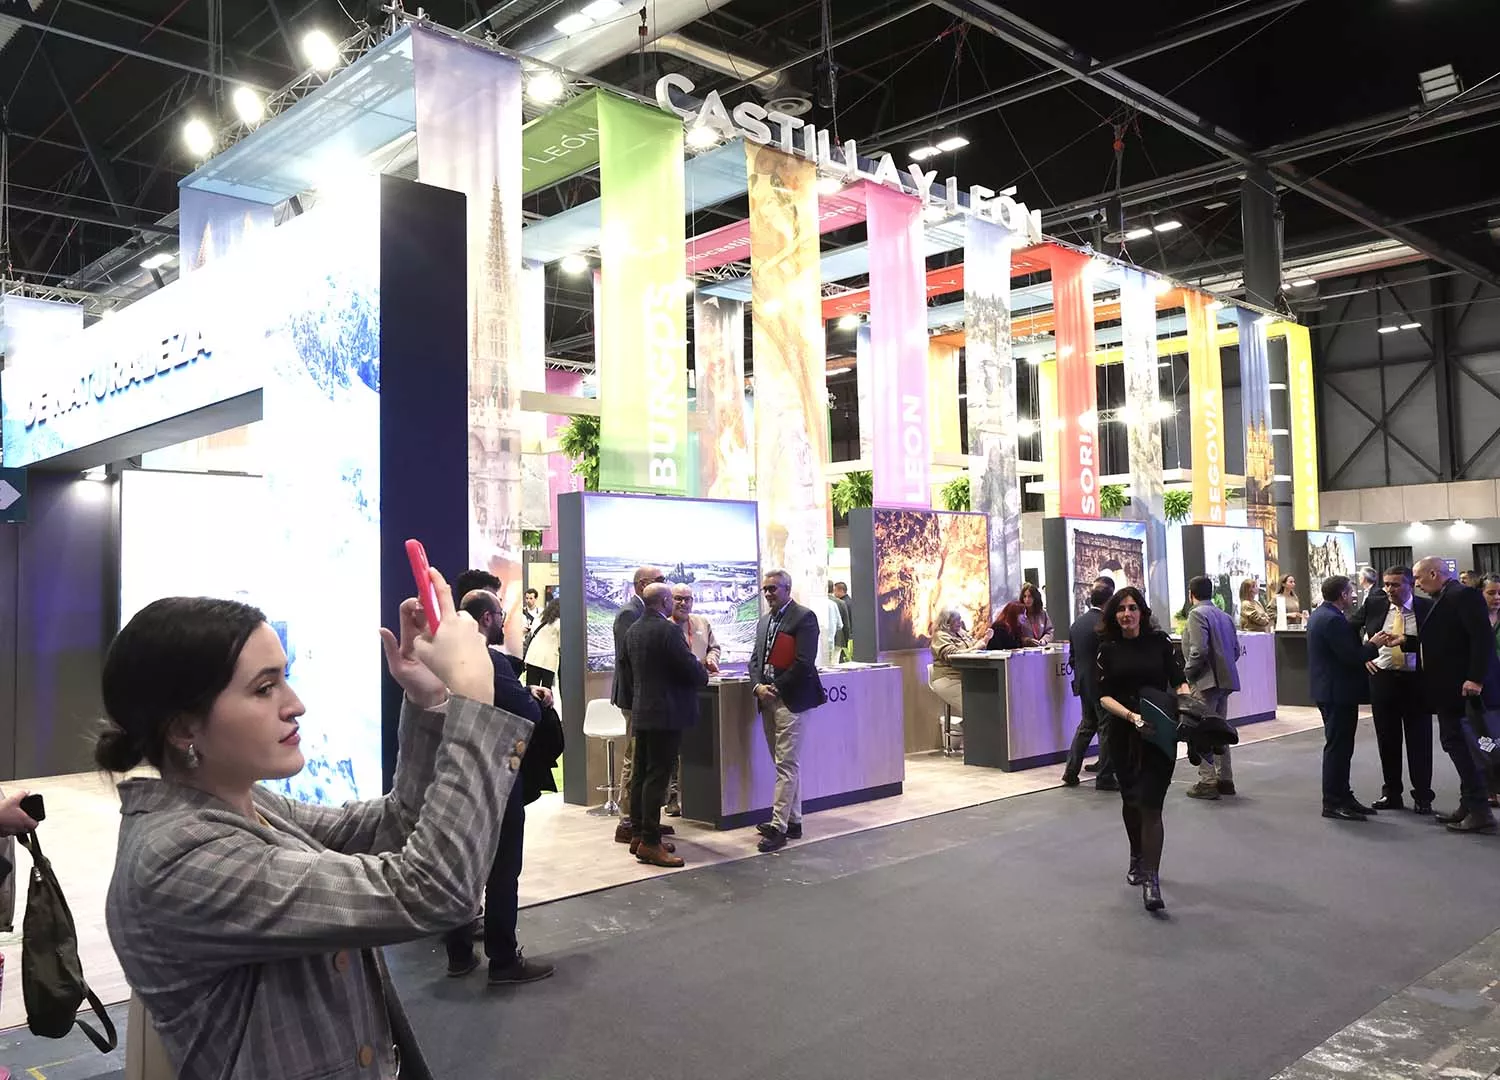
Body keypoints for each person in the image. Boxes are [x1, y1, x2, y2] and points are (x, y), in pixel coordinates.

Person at [99, 576, 533, 1080]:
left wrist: (429, 701)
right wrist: (474, 705)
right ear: (182, 728)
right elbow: (432, 889)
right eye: (264, 688)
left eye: (284, 678)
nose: (294, 703)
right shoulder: (176, 860)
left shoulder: (243, 803)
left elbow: (389, 828)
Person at [441, 590, 558, 985]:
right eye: (499, 615)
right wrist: (535, 699)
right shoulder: (488, 661)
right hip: (495, 777)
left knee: (460, 867)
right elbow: (524, 712)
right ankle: (504, 960)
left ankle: (458, 953)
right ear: (488, 618)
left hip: (452, 778)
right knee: (503, 870)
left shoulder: (438, 662)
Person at [1095, 587, 1188, 913]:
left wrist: (1185, 703)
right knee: (1131, 800)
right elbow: (1103, 696)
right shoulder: (1107, 649)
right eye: (1121, 609)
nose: (1127, 614)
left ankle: (1152, 879)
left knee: (1152, 805)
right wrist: (1132, 716)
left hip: (1159, 735)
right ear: (1114, 615)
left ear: (1142, 612)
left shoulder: (1161, 643)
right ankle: (1136, 855)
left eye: (1133, 608)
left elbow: (1179, 679)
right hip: (1124, 734)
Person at [616, 583, 708, 867]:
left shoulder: (634, 630)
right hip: (666, 714)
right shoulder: (668, 631)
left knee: (643, 775)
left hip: (644, 711)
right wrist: (700, 671)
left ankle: (641, 835)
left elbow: (627, 671)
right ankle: (652, 844)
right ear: (666, 601)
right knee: (657, 778)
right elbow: (691, 670)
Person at [1412, 557, 1497, 833]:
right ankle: (1469, 805)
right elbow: (1447, 637)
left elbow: (1481, 638)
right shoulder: (1446, 596)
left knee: (1463, 747)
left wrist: (1475, 677)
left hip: (1461, 688)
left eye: (1419, 578)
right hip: (1448, 688)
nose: (1417, 584)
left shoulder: (1463, 596)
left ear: (1434, 573)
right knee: (1457, 744)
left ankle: (1480, 810)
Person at [749, 569, 824, 852]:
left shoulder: (804, 617)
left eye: (773, 589)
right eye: (765, 589)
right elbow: (755, 659)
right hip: (766, 698)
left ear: (787, 589)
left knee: (786, 764)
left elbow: (804, 662)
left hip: (791, 699)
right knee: (784, 764)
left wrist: (775, 687)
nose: (768, 594)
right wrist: (757, 686)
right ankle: (793, 821)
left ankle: (779, 827)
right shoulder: (764, 621)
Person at [1358, 566, 1434, 814]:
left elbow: (1438, 641)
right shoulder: (1375, 605)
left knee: (1419, 741)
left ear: (1410, 584)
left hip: (1417, 682)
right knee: (1387, 740)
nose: (1390, 589)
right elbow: (1348, 627)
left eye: (1396, 585)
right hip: (1383, 680)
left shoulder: (1427, 608)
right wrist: (1363, 656)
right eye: (1387, 584)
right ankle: (1391, 793)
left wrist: (1407, 642)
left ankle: (1423, 796)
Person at [1307, 574, 1378, 821]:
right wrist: (1374, 644)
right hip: (1336, 693)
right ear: (1343, 595)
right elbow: (1351, 656)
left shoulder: (1321, 615)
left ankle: (1344, 796)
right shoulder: (1333, 620)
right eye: (1351, 591)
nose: (1354, 595)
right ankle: (1334, 801)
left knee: (1342, 747)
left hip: (1332, 691)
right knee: (1338, 748)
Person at [611, 565, 668, 846]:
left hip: (642, 698)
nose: (664, 586)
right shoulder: (629, 614)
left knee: (642, 759)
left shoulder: (639, 612)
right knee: (635, 759)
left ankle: (644, 818)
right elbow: (629, 663)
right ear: (642, 584)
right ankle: (628, 820)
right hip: (636, 699)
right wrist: (639, 698)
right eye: (660, 581)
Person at [1183, 574, 1243, 800]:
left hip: (1204, 682)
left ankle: (1207, 781)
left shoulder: (1196, 615)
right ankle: (1225, 779)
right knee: (1220, 730)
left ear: (1191, 594)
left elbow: (1198, 650)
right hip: (1224, 683)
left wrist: (1189, 672)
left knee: (1202, 732)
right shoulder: (1225, 616)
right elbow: (1235, 650)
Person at [665, 584, 720, 816]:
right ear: (669, 600)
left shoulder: (701, 623)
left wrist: (710, 658)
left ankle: (695, 797)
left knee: (697, 747)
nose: (684, 603)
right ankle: (671, 798)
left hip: (701, 694)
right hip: (672, 695)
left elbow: (714, 647)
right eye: (679, 598)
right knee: (673, 752)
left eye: (688, 599)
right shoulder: (664, 626)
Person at [1062, 579, 1118, 790]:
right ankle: (1105, 776)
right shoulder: (1105, 624)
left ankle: (1071, 770)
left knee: (1087, 725)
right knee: (1106, 728)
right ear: (1109, 600)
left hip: (1083, 682)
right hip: (1103, 685)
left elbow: (1074, 656)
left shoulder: (1077, 624)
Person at [929, 607, 992, 715]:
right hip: (949, 678)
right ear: (947, 621)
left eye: (960, 619)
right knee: (974, 708)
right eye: (956, 620)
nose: (960, 622)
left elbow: (975, 644)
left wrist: (985, 639)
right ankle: (972, 728)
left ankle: (973, 727)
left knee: (988, 701)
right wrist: (976, 648)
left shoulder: (961, 632)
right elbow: (953, 656)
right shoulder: (940, 636)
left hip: (966, 678)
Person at [818, 584, 846, 666]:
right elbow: (840, 625)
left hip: (818, 643)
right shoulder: (833, 604)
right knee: (831, 667)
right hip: (831, 641)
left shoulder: (815, 603)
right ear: (833, 589)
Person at [830, 582, 853, 659]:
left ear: (841, 590)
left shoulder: (842, 603)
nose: (834, 593)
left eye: (835, 590)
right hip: (842, 639)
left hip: (840, 638)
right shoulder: (850, 602)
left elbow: (844, 624)